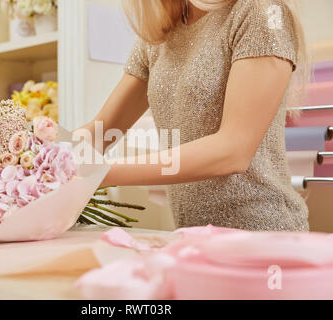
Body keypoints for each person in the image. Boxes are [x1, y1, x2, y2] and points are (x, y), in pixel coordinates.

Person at [76, 0, 310, 231]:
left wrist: (101, 172)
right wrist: (50, 153)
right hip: (193, 236)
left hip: (263, 238)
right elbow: (99, 133)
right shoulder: (160, 33)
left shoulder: (262, 10)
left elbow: (233, 151)